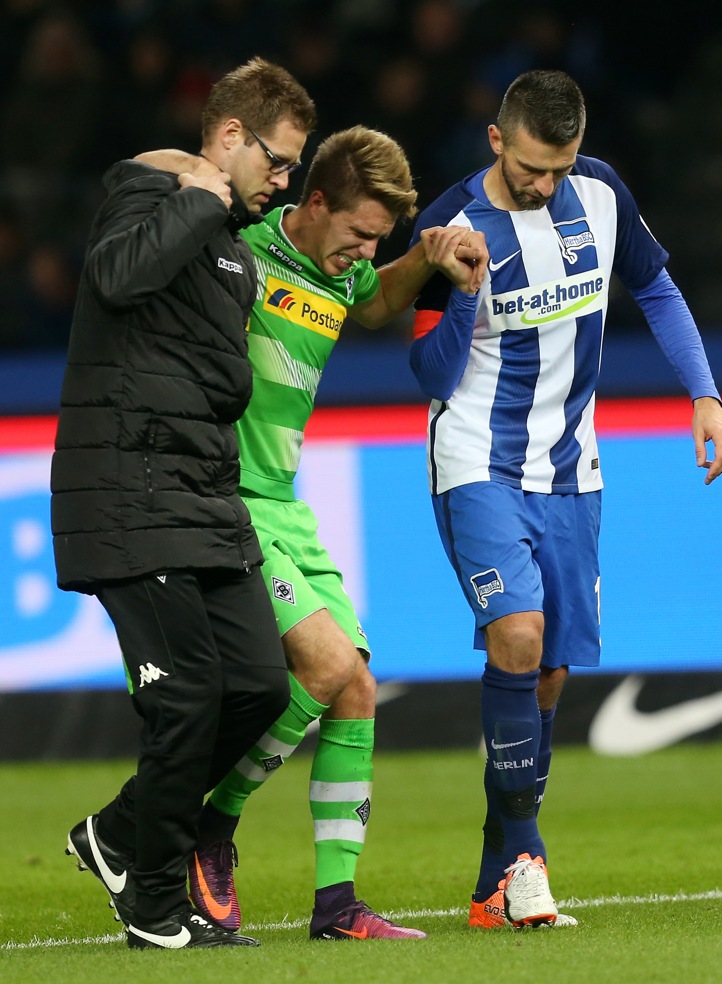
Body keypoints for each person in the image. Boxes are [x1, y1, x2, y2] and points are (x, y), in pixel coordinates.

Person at [136, 125, 487, 940]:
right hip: (223, 495)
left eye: (378, 242)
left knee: (356, 685)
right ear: (314, 200)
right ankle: (210, 826)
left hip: (285, 503)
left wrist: (427, 259)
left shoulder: (345, 271)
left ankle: (336, 906)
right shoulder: (239, 249)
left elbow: (375, 301)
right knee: (329, 667)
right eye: (358, 233)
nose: (364, 252)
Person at [408, 69, 722, 930]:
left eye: (559, 168)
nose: (545, 185)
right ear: (495, 141)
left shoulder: (599, 193)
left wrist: (703, 393)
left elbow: (657, 289)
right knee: (516, 638)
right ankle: (528, 865)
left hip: (575, 470)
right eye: (529, 170)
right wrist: (465, 294)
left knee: (548, 672)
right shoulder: (448, 227)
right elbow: (429, 375)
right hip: (476, 459)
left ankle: (493, 876)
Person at [53, 57, 317, 949]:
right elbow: (118, 276)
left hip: (205, 497)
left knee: (257, 688)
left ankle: (120, 835)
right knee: (188, 698)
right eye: (277, 162)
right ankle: (156, 900)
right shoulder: (147, 197)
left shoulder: (236, 261)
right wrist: (197, 193)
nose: (284, 183)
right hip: (128, 494)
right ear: (230, 138)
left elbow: (219, 382)